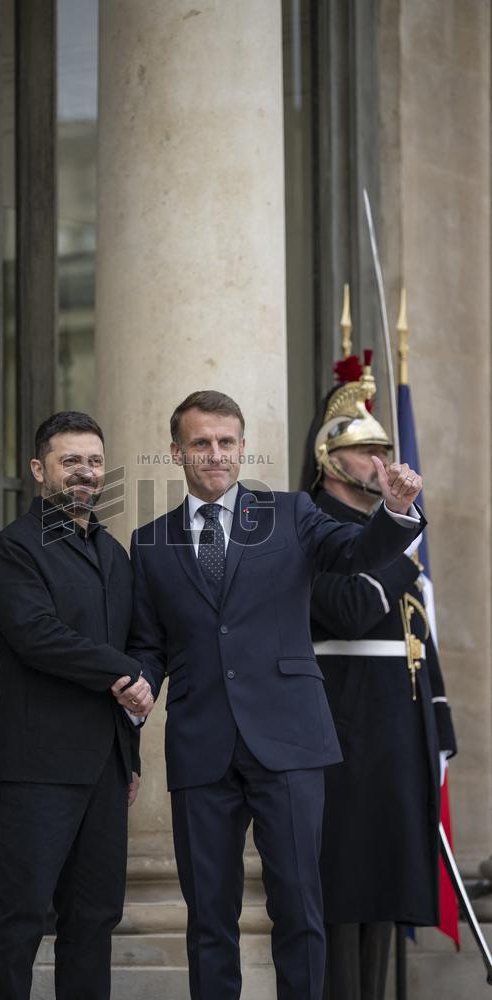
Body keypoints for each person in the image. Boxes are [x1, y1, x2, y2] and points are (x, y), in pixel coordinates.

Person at [120, 388, 425, 1000]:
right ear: (177, 450)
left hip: (288, 739)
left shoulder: (291, 515)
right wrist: (142, 682)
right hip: (201, 746)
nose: (215, 454)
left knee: (299, 908)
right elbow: (150, 643)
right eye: (200, 443)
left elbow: (354, 554)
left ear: (242, 449)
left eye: (226, 442)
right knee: (209, 917)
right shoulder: (149, 542)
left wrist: (393, 512)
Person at [299, 354, 457, 1000]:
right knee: (346, 893)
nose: (381, 464)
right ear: (332, 458)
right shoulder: (313, 527)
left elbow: (418, 633)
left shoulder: (383, 534)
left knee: (389, 890)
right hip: (345, 732)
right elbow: (350, 606)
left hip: (396, 737)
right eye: (367, 452)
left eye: (383, 450)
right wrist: (404, 552)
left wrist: (439, 726)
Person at [0, 410, 154, 1000]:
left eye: (95, 461)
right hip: (38, 765)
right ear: (39, 470)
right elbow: (37, 635)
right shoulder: (15, 549)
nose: (85, 472)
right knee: (21, 917)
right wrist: (123, 673)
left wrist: (128, 753)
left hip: (104, 766)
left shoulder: (114, 556)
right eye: (70, 460)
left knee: (94, 918)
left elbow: (136, 645)